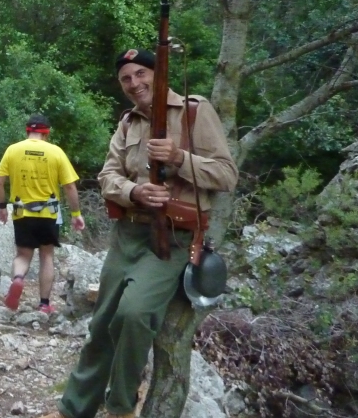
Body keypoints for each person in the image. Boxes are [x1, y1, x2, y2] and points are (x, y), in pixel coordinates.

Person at [42, 49, 238, 418]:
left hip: (173, 240)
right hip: (127, 235)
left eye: (140, 74)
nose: (134, 84)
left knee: (133, 315)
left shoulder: (195, 112)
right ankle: (73, 409)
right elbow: (107, 176)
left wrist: (179, 159)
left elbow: (227, 175)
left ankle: (120, 407)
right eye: (126, 79)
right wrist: (134, 192)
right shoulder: (128, 123)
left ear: (157, 74)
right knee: (101, 325)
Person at [0, 114, 86, 314]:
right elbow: (69, 186)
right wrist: (76, 214)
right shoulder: (56, 152)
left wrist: (2, 207)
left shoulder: (13, 150)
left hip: (22, 213)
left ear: (27, 131)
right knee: (47, 255)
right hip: (48, 214)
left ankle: (18, 279)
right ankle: (44, 304)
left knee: (23, 254)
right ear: (47, 132)